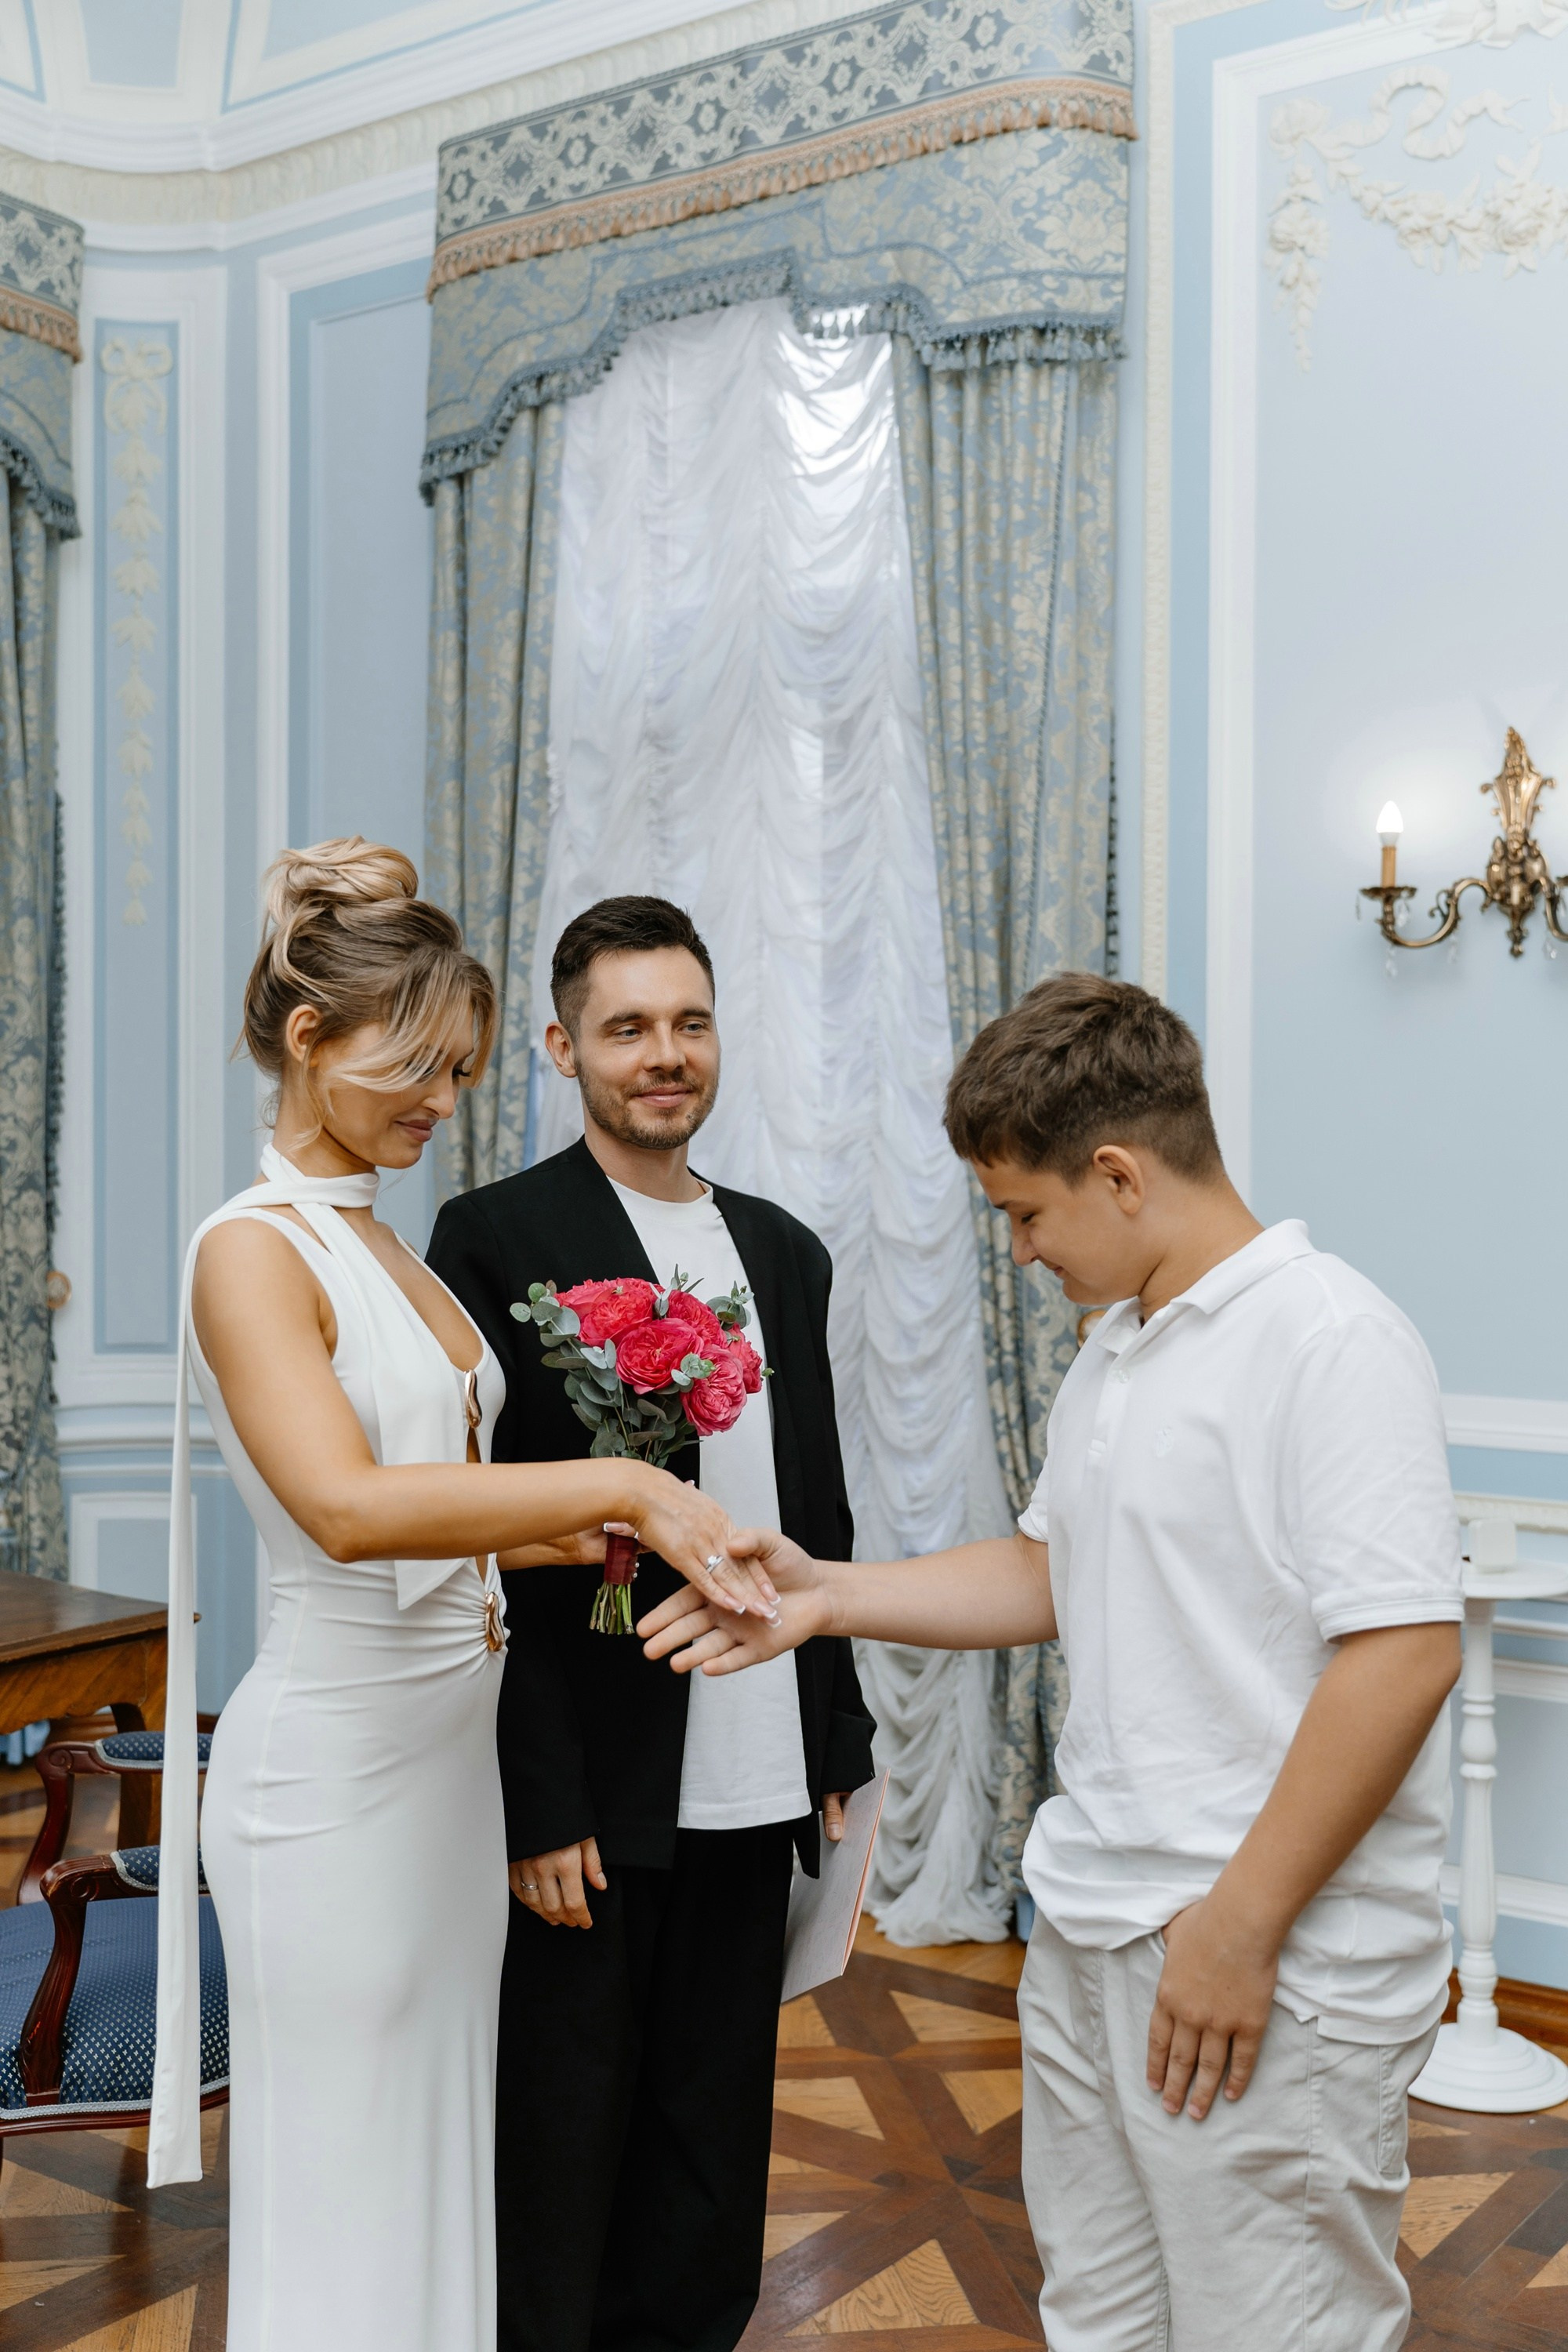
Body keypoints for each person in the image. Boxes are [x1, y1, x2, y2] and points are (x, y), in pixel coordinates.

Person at [644, 971, 1464, 2352]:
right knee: (1099, 2317)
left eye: (1025, 1214)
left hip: (1261, 1949)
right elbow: (1049, 1573)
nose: (1020, 1250)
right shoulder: (1122, 1347)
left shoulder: (1330, 1339)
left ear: (1120, 1175)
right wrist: (824, 1596)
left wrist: (1239, 1929)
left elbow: (1404, 1656)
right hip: (1094, 1921)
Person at [151, 843, 771, 2352]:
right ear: (311, 1039)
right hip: (337, 1780)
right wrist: (615, 1487)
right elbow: (349, 1509)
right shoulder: (249, 1251)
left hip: (449, 1775)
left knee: (442, 2171)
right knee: (346, 2179)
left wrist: (588, 1542)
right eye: (421, 1065)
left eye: (463, 1071)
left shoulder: (377, 1240)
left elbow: (454, 1508)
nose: (445, 1100)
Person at [426, 895, 877, 2352]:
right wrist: (537, 1795)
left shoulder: (787, 1253)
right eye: (627, 1029)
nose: (665, 1054)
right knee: (565, 2141)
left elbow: (817, 1508)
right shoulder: (496, 1238)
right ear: (564, 1049)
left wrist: (837, 1730)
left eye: (689, 1023)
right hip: (594, 1778)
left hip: (760, 1758)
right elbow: (481, 1544)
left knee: (711, 2137)